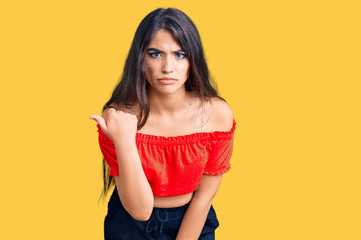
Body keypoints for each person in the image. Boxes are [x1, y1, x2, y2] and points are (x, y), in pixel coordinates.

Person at [89, 7, 236, 240]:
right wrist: (126, 141)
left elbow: (204, 197)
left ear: (193, 60)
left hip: (194, 218)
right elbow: (140, 210)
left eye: (180, 54)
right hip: (130, 222)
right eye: (155, 54)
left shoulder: (217, 114)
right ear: (140, 59)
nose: (168, 68)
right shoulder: (119, 118)